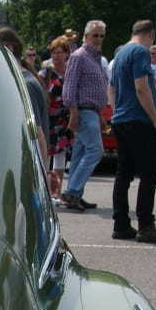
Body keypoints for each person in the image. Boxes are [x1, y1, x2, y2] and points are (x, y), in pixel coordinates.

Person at [108, 19, 156, 243]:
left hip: (121, 119)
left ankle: (121, 224)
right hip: (138, 119)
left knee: (123, 173)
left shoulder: (121, 54)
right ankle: (146, 224)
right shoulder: (140, 52)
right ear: (150, 34)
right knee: (149, 173)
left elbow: (112, 87)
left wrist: (116, 112)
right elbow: (141, 86)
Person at [0, 27, 58, 194]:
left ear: (9, 49)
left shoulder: (24, 84)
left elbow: (37, 135)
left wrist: (42, 180)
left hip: (30, 176)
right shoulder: (27, 79)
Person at [60, 19, 109, 211]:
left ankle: (76, 194)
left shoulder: (95, 58)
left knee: (80, 154)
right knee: (95, 151)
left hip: (92, 112)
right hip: (82, 111)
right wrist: (73, 113)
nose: (98, 39)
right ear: (86, 36)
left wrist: (100, 114)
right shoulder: (79, 56)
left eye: (101, 36)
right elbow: (70, 86)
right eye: (95, 35)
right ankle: (72, 191)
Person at [40, 36, 76, 190]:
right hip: (48, 119)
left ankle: (57, 191)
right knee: (45, 155)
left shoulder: (71, 73)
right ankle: (45, 190)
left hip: (63, 119)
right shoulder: (45, 73)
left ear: (67, 53)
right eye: (53, 53)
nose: (55, 56)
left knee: (61, 155)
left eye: (59, 53)